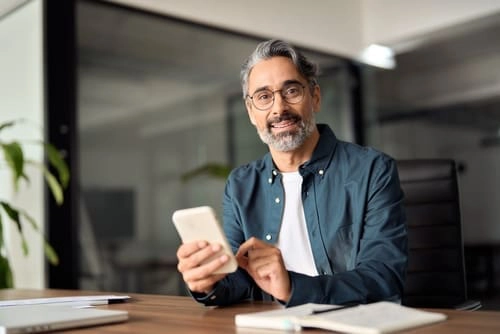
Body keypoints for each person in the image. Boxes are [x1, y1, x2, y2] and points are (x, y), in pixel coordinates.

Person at [176, 39, 407, 307]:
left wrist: (293, 288)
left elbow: (384, 279)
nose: (279, 108)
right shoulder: (241, 184)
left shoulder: (372, 170)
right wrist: (208, 281)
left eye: (292, 91)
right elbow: (237, 280)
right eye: (263, 97)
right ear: (251, 112)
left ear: (315, 97)